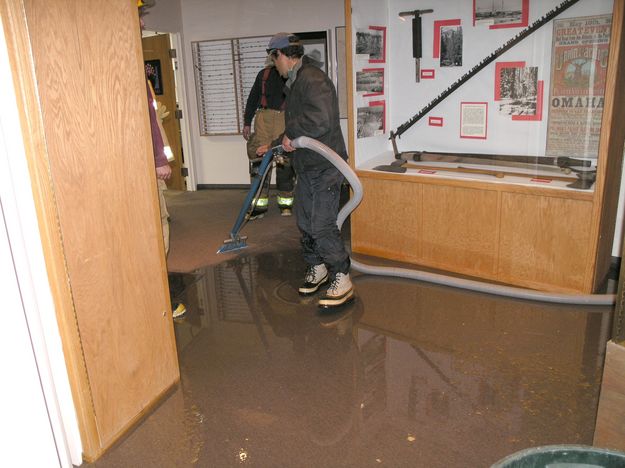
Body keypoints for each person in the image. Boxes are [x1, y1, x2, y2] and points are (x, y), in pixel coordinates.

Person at [257, 33, 353, 308]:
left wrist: (291, 134)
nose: (275, 66)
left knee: (322, 224)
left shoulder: (312, 79)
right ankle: (318, 267)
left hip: (326, 166)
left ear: (283, 56)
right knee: (304, 220)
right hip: (308, 165)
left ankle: (342, 276)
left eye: (274, 60)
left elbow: (319, 120)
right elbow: (296, 127)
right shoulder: (298, 80)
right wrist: (275, 144)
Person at [141, 0, 186, 319]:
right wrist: (160, 158)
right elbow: (147, 119)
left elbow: (154, 117)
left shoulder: (135, 73)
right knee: (157, 227)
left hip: (141, 166)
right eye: (139, 19)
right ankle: (161, 301)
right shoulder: (130, 73)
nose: (143, 27)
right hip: (144, 169)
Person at [243, 57, 295, 218]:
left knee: (285, 163)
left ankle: (285, 204)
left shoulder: (293, 75)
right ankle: (259, 207)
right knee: (259, 162)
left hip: (284, 119)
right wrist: (247, 122)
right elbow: (252, 99)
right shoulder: (263, 75)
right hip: (263, 121)